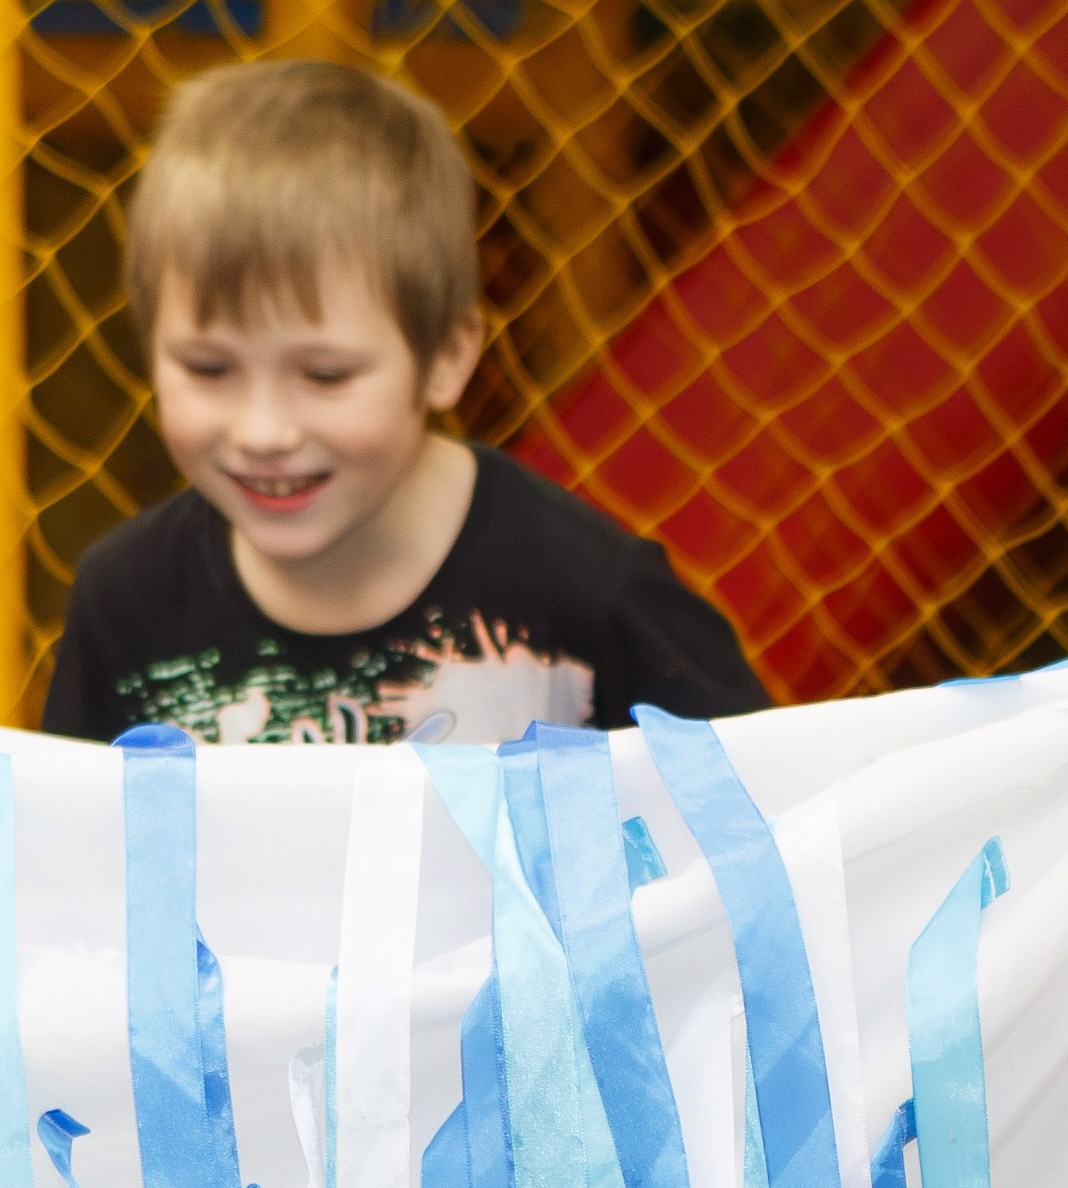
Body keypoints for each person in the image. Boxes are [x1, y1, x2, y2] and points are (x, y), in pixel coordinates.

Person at [44, 62, 766, 746]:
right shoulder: (126, 606)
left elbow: (763, 829)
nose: (262, 431)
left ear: (445, 359)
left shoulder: (591, 596)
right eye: (208, 368)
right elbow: (69, 860)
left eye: (325, 376)